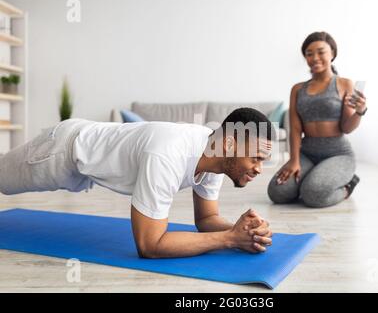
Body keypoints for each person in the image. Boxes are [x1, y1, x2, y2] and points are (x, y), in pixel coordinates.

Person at [0, 108, 275, 258]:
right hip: (63, 149)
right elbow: (150, 245)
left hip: (88, 159)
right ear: (229, 144)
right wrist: (229, 239)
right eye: (256, 158)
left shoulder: (214, 158)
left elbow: (207, 218)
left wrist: (242, 232)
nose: (259, 169)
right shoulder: (169, 154)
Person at [267, 31, 367, 207]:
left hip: (338, 153)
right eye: (309, 53)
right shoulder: (297, 89)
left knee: (313, 195)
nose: (315, 57)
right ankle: (313, 178)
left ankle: (347, 186)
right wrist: (294, 160)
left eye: (321, 52)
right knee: (277, 192)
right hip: (308, 152)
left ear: (332, 54)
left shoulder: (344, 84)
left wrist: (360, 111)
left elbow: (347, 127)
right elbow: (295, 129)